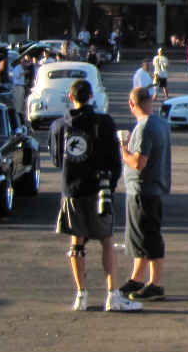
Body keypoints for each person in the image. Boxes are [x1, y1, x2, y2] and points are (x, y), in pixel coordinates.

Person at [49, 79, 140, 312]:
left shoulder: (59, 126)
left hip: (72, 190)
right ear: (91, 96)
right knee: (106, 241)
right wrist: (110, 183)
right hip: (99, 190)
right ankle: (112, 295)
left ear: (71, 97)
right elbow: (114, 159)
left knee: (76, 243)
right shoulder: (104, 122)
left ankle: (82, 295)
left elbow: (57, 159)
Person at [118, 85, 172, 302]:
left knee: (149, 238)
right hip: (151, 189)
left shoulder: (144, 128)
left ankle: (155, 284)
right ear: (151, 100)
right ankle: (137, 278)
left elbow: (139, 162)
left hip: (144, 191)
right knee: (140, 238)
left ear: (132, 103)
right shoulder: (160, 123)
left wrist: (123, 150)